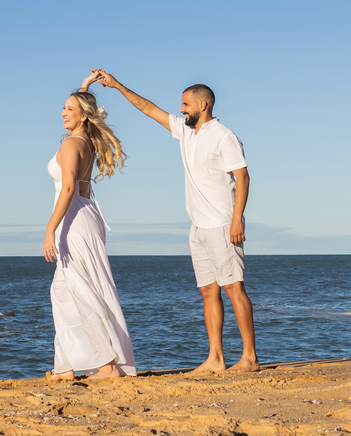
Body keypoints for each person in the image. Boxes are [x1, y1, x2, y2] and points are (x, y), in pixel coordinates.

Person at [91, 69, 258, 373]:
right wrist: (116, 85)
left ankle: (249, 358)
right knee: (208, 292)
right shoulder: (185, 131)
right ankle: (216, 359)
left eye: (185, 104)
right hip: (198, 227)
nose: (181, 109)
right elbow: (147, 107)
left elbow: (243, 177)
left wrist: (237, 221)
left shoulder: (224, 136)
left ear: (202, 105)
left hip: (222, 224)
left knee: (234, 288)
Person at [43, 76, 136, 381]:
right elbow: (84, 109)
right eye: (63, 107)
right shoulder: (86, 139)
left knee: (81, 292)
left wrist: (49, 229)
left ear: (82, 115)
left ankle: (107, 366)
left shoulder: (72, 144)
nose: (63, 112)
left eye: (69, 109)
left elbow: (68, 188)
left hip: (74, 222)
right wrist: (84, 87)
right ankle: (65, 366)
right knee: (63, 292)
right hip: (84, 218)